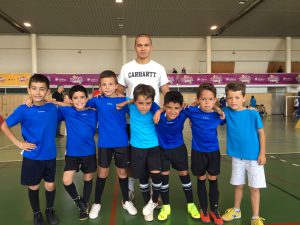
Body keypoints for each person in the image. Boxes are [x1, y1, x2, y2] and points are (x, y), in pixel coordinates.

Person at [1, 74, 59, 225]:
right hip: (32, 156)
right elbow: (4, 126)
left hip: (50, 155)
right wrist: (19, 144)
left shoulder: (53, 108)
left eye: (42, 89)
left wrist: (55, 101)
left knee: (50, 185)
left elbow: (70, 108)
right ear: (28, 90)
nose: (37, 92)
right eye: (34, 88)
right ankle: (37, 213)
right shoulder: (23, 109)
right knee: (33, 186)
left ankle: (50, 210)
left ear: (47, 91)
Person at [118, 33, 170, 201]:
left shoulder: (158, 68)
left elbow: (167, 95)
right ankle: (131, 189)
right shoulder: (127, 68)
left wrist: (160, 111)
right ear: (135, 47)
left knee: (154, 159)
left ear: (151, 47)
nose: (142, 48)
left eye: (146, 45)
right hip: (133, 120)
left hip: (153, 120)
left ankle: (156, 194)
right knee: (134, 158)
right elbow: (118, 93)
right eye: (139, 45)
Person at [87, 70, 137, 220]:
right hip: (104, 144)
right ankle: (97, 203)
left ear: (116, 85)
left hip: (121, 143)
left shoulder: (124, 100)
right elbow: (78, 103)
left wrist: (127, 101)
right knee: (102, 173)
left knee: (122, 173)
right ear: (100, 87)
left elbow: (139, 102)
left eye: (110, 84)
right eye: (104, 85)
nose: (107, 87)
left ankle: (126, 201)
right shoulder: (97, 100)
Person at [221, 82, 266, 225]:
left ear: (243, 98)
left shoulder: (252, 113)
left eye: (237, 97)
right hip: (237, 157)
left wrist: (262, 154)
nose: (233, 101)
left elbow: (261, 134)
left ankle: (255, 217)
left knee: (254, 188)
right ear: (226, 99)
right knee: (238, 185)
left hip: (254, 157)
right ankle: (236, 210)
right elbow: (214, 109)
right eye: (230, 98)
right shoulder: (226, 112)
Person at [117, 84, 162, 222]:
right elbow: (117, 103)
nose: (144, 106)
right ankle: (148, 205)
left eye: (147, 103)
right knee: (142, 178)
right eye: (140, 103)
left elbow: (162, 108)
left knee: (156, 176)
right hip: (136, 149)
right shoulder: (131, 107)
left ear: (152, 102)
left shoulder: (154, 109)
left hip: (153, 147)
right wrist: (128, 101)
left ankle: (154, 200)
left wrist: (158, 112)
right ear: (134, 101)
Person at [153, 91, 200, 221]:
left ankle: (191, 204)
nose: (173, 111)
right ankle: (166, 206)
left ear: (181, 107)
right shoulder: (159, 116)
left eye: (176, 108)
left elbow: (199, 103)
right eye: (169, 107)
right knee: (164, 178)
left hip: (179, 150)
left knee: (184, 175)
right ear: (164, 106)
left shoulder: (183, 114)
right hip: (162, 151)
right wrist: (158, 111)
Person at [184, 83, 225, 225]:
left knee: (213, 179)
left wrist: (219, 110)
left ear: (215, 100)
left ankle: (214, 209)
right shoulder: (191, 111)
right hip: (198, 152)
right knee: (201, 179)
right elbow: (178, 110)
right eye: (203, 99)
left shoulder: (218, 114)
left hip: (213, 152)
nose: (207, 102)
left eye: (210, 99)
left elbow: (229, 116)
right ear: (197, 99)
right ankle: (203, 209)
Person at [58, 85, 98, 220]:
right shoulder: (66, 111)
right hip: (72, 154)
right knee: (66, 180)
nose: (79, 100)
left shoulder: (94, 112)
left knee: (88, 178)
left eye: (82, 97)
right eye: (75, 98)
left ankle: (85, 205)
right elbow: (49, 107)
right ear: (70, 99)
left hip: (89, 152)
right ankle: (78, 200)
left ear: (87, 98)